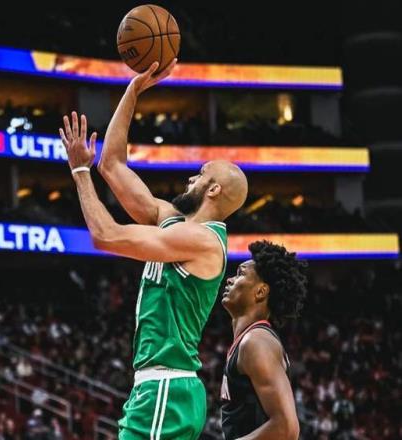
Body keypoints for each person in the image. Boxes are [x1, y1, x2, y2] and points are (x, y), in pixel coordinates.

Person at [59, 60, 248, 440]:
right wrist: (133, 91)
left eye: (201, 174)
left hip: (167, 388)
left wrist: (79, 173)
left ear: (213, 190)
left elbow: (106, 235)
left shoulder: (202, 241)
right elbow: (112, 165)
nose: (191, 177)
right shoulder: (172, 220)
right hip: (159, 388)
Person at [220, 241, 307, 440]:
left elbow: (286, 428)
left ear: (260, 291)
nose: (230, 280)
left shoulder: (256, 342)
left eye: (240, 274)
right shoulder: (250, 341)